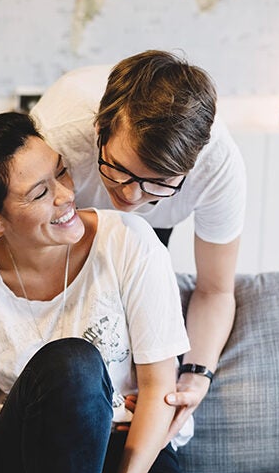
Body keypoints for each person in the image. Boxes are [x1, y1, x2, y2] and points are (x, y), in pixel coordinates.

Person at [0, 112, 204, 473]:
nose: (66, 195)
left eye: (62, 172)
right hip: (25, 459)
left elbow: (159, 387)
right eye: (39, 193)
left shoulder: (128, 241)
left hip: (125, 449)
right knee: (73, 363)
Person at [29, 49, 246, 437]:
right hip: (65, 225)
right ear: (100, 129)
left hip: (155, 231)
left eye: (159, 180)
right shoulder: (58, 133)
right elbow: (14, 246)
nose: (130, 196)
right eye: (121, 169)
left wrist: (195, 376)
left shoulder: (219, 167)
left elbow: (215, 289)